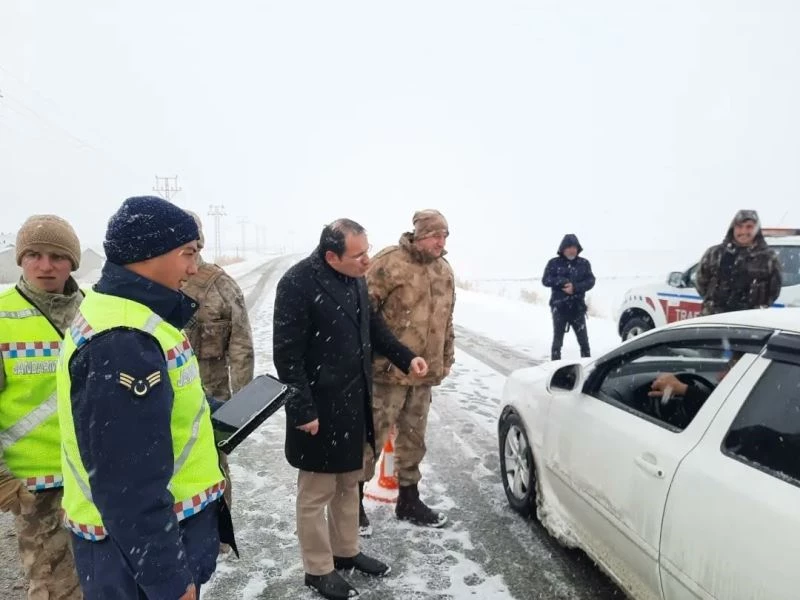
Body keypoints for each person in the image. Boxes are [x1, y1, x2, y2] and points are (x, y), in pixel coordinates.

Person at [57, 196, 235, 600]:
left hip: (137, 547)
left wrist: (218, 414)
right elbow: (128, 486)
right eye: (187, 253)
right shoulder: (123, 341)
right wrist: (169, 582)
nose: (193, 268)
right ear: (147, 254)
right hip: (131, 556)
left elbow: (163, 415)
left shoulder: (132, 314)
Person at [273, 218, 429, 600]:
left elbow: (374, 328)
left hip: (353, 401)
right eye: (359, 254)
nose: (367, 260)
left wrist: (406, 358)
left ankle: (345, 552)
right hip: (317, 408)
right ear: (331, 256)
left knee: (348, 483)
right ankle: (318, 569)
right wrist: (302, 410)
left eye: (367, 249)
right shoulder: (297, 283)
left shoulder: (356, 277)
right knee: (316, 493)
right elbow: (287, 356)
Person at [0, 215, 83, 599]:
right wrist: (3, 478)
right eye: (34, 254)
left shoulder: (96, 312)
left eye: (57, 256)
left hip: (98, 477)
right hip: (37, 489)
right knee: (54, 589)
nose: (45, 266)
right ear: (20, 259)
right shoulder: (2, 317)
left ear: (73, 262)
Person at [359, 209, 454, 533]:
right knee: (371, 439)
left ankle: (409, 500)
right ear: (419, 235)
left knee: (414, 439)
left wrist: (446, 358)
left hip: (423, 375)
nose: (441, 242)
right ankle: (353, 504)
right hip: (386, 374)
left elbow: (447, 320)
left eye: (445, 236)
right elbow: (363, 315)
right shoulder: (389, 263)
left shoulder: (444, 271)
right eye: (435, 236)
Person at [181, 211, 254, 537]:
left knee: (213, 466)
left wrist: (244, 406)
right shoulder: (145, 287)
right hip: (163, 401)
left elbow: (241, 347)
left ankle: (216, 532)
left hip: (211, 399)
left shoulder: (220, 286)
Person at [695, 209, 782, 315]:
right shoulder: (715, 254)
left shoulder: (768, 258)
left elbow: (774, 291)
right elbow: (701, 283)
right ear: (733, 228)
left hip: (749, 321)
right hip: (714, 319)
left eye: (749, 227)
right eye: (740, 226)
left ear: (757, 229)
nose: (744, 231)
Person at [542, 234, 595, 361]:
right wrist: (560, 282)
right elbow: (545, 280)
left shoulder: (584, 263)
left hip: (578, 308)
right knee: (557, 342)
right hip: (559, 307)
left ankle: (588, 369)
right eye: (569, 247)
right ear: (563, 249)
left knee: (584, 342)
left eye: (574, 247)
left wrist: (575, 288)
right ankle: (555, 368)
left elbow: (591, 281)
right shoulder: (553, 263)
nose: (572, 250)